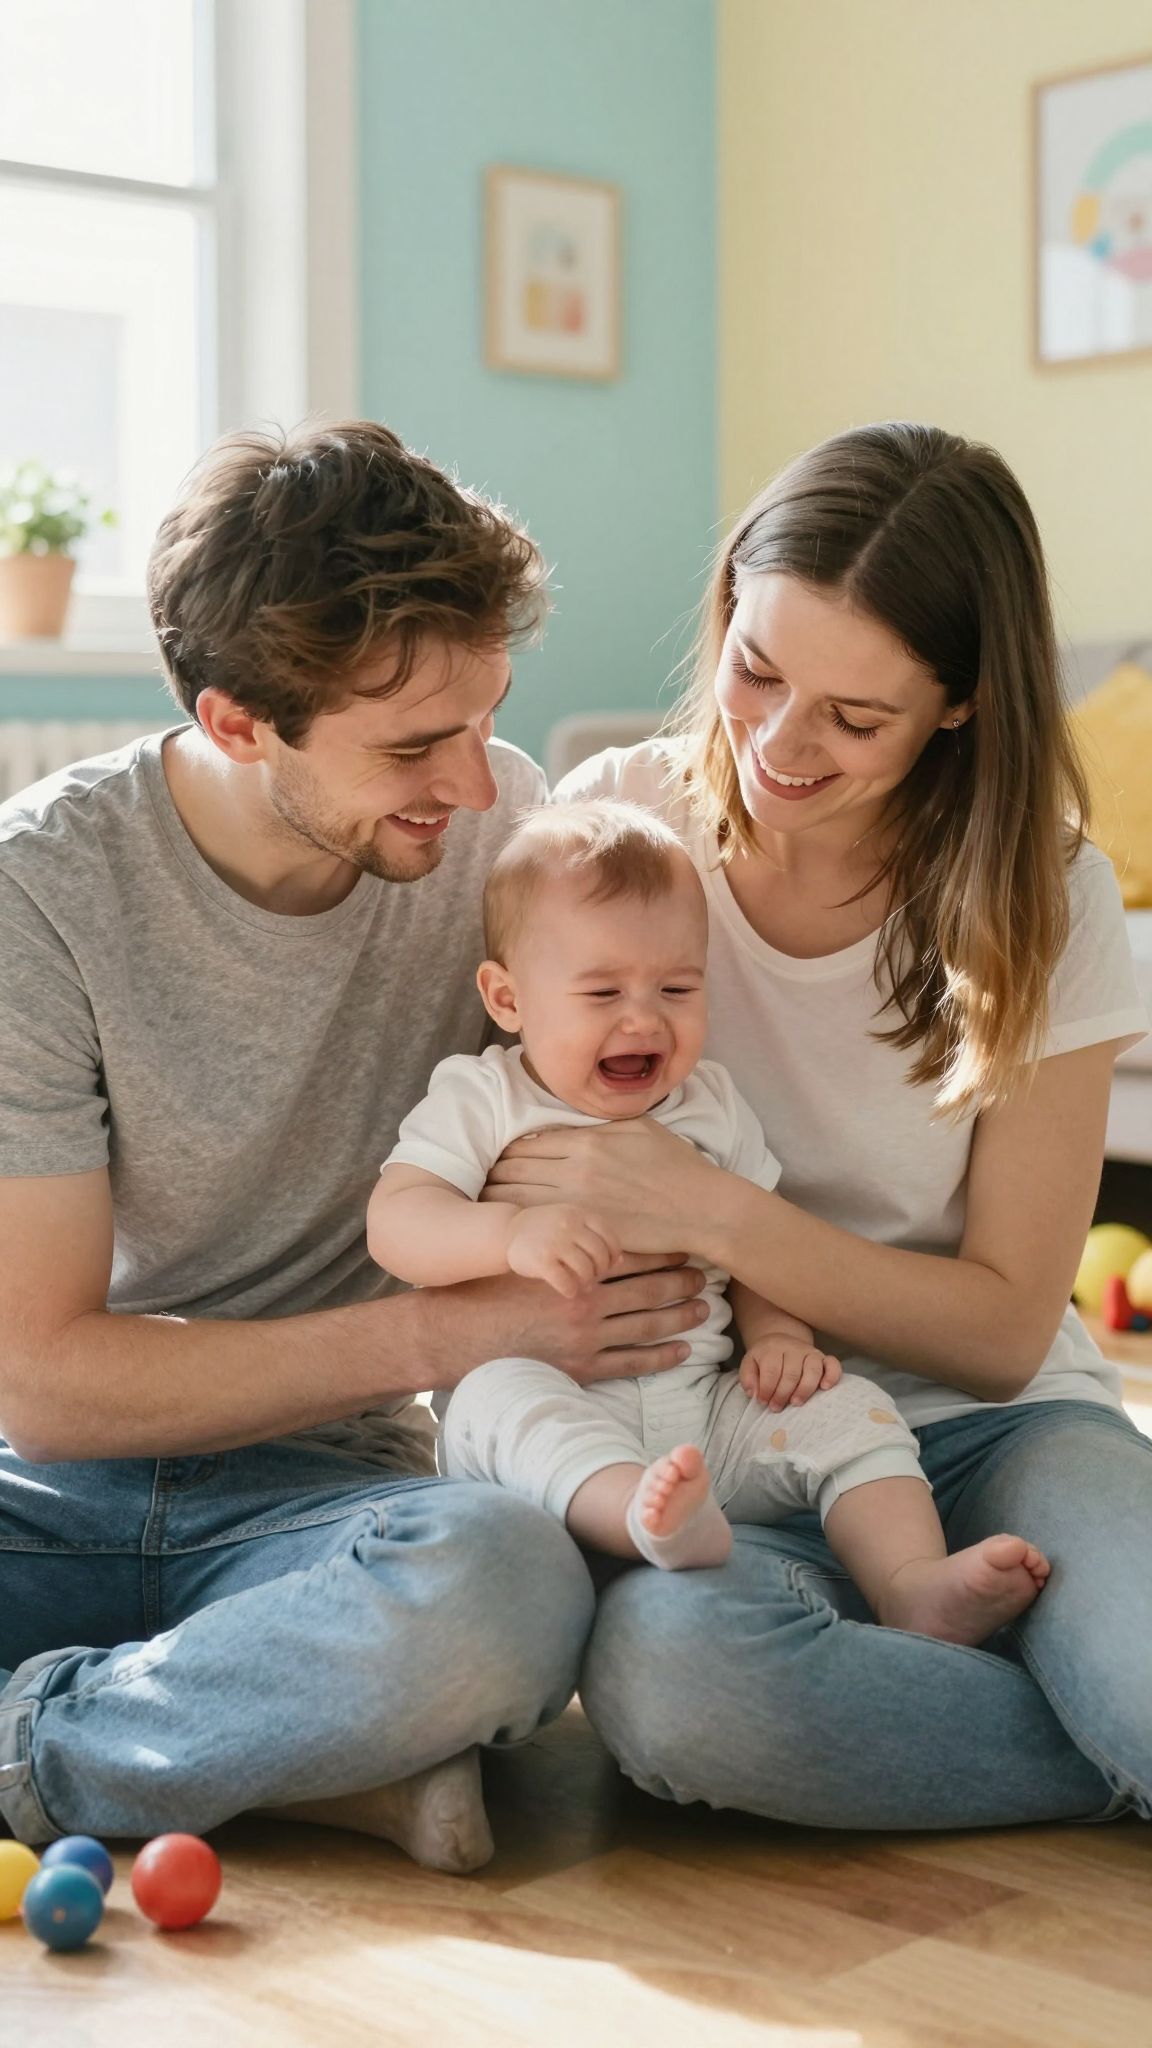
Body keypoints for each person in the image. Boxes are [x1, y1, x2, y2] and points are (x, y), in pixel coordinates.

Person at [0, 421, 706, 1873]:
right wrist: (462, 1329)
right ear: (236, 720)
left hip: (334, 1499)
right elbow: (48, 1386)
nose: (471, 778)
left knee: (511, 1584)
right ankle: (303, 1761)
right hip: (52, 1494)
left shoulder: (502, 838)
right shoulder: (43, 892)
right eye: (410, 746)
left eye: (483, 716)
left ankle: (60, 1746)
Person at [481, 422, 1152, 1830]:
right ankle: (1068, 1695)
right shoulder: (614, 833)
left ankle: (1082, 1685)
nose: (780, 745)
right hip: (725, 1432)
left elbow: (999, 1330)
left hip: (989, 1424)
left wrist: (712, 1209)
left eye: (856, 718)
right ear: (727, 607)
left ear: (961, 706)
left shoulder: (1048, 895)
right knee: (680, 1693)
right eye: (758, 670)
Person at [370, 798, 1051, 1642]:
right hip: (559, 1406)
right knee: (490, 1400)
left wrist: (777, 1341)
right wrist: (505, 1236)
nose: (643, 1017)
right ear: (507, 998)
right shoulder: (485, 1097)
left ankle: (909, 1581)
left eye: (677, 988)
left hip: (705, 1415)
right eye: (602, 991)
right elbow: (397, 1221)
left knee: (853, 1406)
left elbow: (760, 1247)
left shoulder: (712, 1107)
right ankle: (642, 1518)